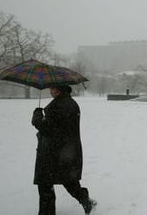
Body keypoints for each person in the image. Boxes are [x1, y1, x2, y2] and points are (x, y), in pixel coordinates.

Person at [31, 85, 96, 215]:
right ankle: (85, 200)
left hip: (53, 151)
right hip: (67, 150)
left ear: (59, 90)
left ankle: (47, 212)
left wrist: (37, 116)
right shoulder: (70, 103)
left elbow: (47, 128)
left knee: (45, 183)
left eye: (52, 88)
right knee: (68, 179)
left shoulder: (59, 105)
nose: (51, 90)